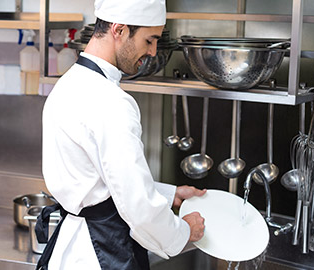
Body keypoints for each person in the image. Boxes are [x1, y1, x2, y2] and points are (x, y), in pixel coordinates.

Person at [37, 0, 206, 269]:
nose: (152, 52)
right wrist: (184, 231)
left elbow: (96, 183)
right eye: (149, 40)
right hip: (103, 253)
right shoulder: (112, 103)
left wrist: (166, 193)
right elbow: (139, 208)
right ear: (119, 30)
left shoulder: (67, 84)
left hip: (71, 250)